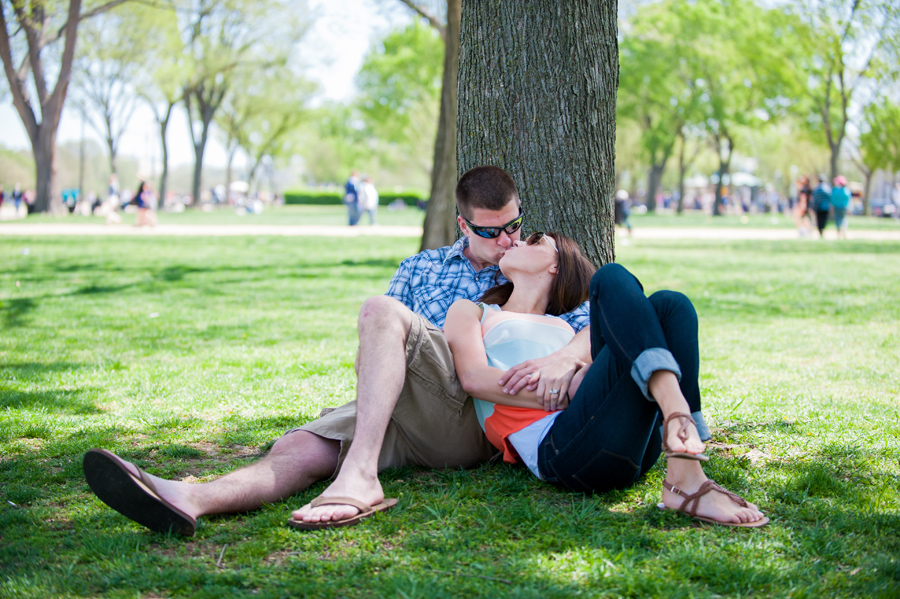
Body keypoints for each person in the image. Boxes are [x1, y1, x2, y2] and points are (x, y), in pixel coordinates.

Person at [82, 166, 594, 535]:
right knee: (300, 449)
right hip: (403, 406)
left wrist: (568, 354)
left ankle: (361, 475)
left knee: (379, 310)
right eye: (491, 231)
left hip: (469, 412)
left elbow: (595, 326)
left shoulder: (532, 278)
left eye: (514, 226)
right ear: (463, 225)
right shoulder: (422, 268)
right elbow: (374, 348)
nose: (508, 240)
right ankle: (190, 497)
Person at [443, 231, 768, 527]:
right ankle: (680, 425)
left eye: (535, 239)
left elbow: (593, 370)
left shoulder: (568, 331)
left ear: (557, 265)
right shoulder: (475, 312)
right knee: (613, 278)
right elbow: (473, 378)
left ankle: (683, 460)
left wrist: (568, 360)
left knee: (671, 305)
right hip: (562, 450)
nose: (516, 240)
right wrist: (569, 389)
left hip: (630, 445)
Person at [830, 175, 851, 240]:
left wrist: (832, 206)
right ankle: (843, 231)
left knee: (838, 220)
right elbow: (848, 199)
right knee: (843, 219)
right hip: (844, 207)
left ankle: (838, 231)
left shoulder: (835, 190)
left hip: (837, 207)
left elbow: (832, 199)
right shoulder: (846, 190)